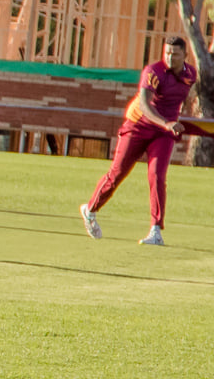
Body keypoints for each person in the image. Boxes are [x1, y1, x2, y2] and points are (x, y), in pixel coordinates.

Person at [80, 35, 209, 246]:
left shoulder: (190, 74)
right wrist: (167, 123)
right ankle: (90, 210)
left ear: (184, 55)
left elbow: (184, 97)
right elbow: (146, 105)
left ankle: (156, 230)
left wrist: (179, 118)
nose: (169, 57)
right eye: (167, 52)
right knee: (117, 173)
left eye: (175, 54)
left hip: (163, 132)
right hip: (138, 126)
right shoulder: (153, 72)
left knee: (157, 176)